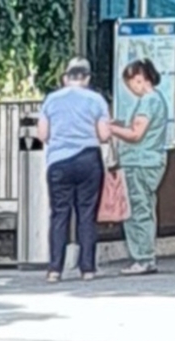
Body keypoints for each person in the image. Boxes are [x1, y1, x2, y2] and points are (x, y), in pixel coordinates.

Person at [37, 57, 111, 282]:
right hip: (88, 160)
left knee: (60, 214)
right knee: (86, 215)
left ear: (65, 78)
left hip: (58, 162)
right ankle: (87, 269)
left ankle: (54, 269)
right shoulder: (96, 100)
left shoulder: (51, 100)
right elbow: (104, 135)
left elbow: (43, 135)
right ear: (87, 78)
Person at [107, 59, 171, 274]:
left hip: (139, 162)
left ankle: (142, 258)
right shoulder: (157, 100)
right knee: (145, 208)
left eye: (132, 82)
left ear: (141, 79)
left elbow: (136, 134)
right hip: (151, 161)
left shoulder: (147, 102)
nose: (131, 87)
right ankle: (146, 256)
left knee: (137, 210)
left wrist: (111, 129)